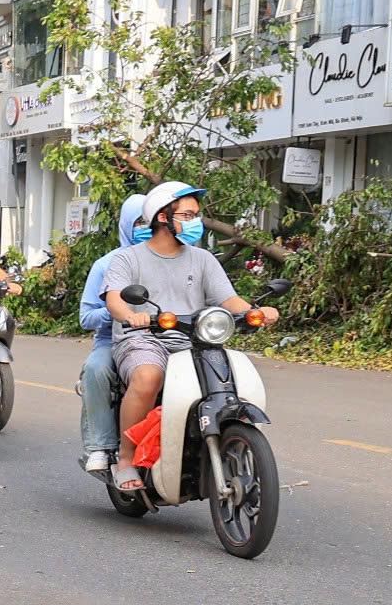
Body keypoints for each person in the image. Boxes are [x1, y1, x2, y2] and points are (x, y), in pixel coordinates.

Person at [104, 182, 277, 492]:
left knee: (228, 381)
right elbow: (115, 298)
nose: (195, 220)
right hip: (143, 337)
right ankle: (126, 459)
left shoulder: (203, 259)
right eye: (187, 214)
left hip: (193, 340)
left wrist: (256, 311)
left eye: (197, 214)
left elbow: (228, 300)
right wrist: (131, 315)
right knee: (147, 376)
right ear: (162, 218)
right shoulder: (127, 258)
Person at [76, 193, 148, 473]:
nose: (147, 227)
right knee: (97, 369)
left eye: (151, 221)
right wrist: (119, 311)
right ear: (127, 224)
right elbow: (86, 317)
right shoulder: (108, 264)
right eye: (139, 222)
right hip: (115, 339)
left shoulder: (174, 257)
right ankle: (100, 446)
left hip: (167, 337)